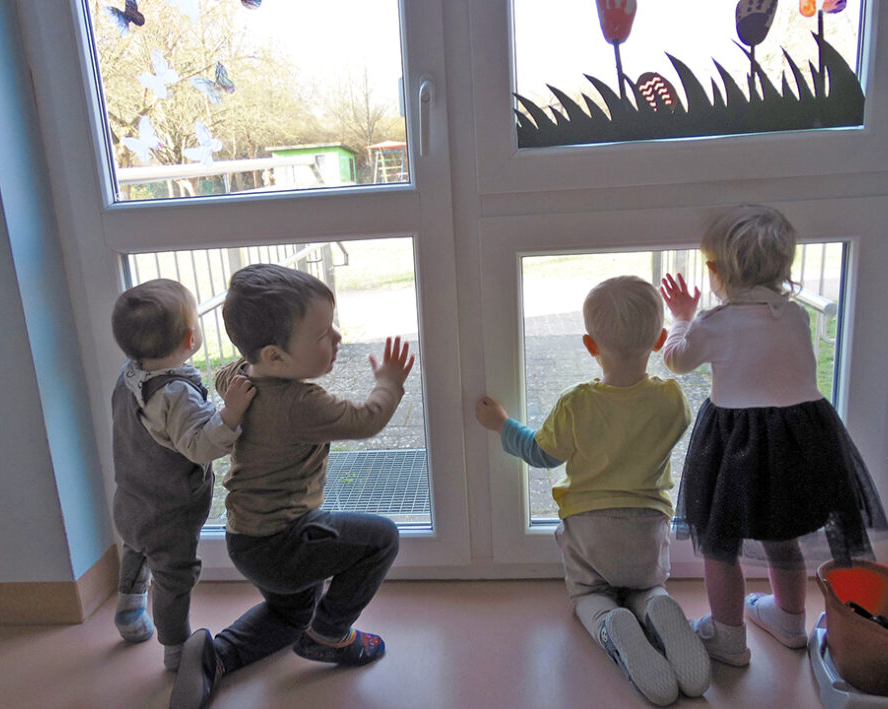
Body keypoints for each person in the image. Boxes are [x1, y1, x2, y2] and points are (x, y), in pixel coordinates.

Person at [170, 263, 415, 709]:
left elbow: (229, 373)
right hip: (284, 541)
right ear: (276, 357)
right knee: (381, 538)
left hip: (246, 539)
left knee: (290, 614)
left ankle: (217, 656)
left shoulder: (239, 376)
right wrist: (388, 384)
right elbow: (366, 420)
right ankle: (331, 635)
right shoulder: (302, 403)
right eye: (323, 334)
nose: (338, 337)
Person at [660, 204, 888, 667]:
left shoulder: (714, 323)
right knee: (782, 533)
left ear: (715, 270)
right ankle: (789, 620)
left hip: (735, 447)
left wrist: (682, 316)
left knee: (719, 546)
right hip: (798, 442)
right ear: (785, 269)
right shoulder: (796, 317)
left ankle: (728, 637)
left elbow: (677, 360)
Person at [476, 276, 710, 707]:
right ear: (659, 340)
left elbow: (540, 453)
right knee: (646, 586)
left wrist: (501, 425)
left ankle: (611, 624)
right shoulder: (672, 400)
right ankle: (656, 605)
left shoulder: (577, 402)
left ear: (590, 345)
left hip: (589, 531)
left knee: (589, 595)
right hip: (647, 527)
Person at [110, 278, 256, 671]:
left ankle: (127, 611)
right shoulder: (176, 394)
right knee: (173, 579)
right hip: (169, 510)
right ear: (192, 337)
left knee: (136, 549)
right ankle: (175, 651)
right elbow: (200, 445)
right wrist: (230, 413)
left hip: (131, 498)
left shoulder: (129, 376)